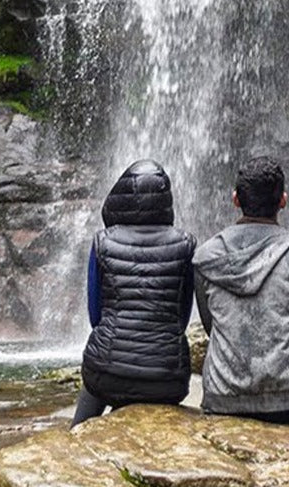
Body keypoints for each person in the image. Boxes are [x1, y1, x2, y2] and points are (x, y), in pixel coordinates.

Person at [193, 155, 289, 422]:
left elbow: (210, 327)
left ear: (235, 199)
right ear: (283, 200)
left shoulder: (205, 256)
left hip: (225, 397)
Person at [71, 158, 196, 426]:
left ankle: (75, 436)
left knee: (93, 392)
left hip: (107, 373)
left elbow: (96, 315)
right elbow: (181, 318)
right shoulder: (186, 243)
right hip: (168, 379)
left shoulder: (103, 242)